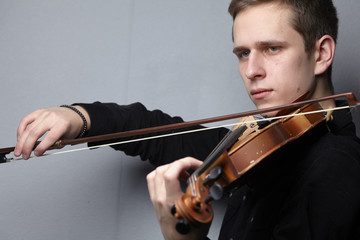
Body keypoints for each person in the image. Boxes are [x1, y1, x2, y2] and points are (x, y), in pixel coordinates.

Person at [14, 0, 360, 239]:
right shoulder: (267, 144)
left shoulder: (337, 166)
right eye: (243, 53)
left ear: (321, 54)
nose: (252, 71)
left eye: (272, 48)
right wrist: (79, 117)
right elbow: (164, 135)